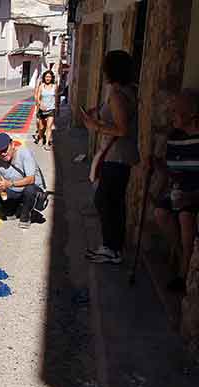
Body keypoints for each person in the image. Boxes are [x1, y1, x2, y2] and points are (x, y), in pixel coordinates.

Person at [82, 50, 140, 265]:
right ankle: (113, 245)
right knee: (112, 201)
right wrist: (98, 111)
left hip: (116, 155)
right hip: (121, 156)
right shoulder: (128, 90)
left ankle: (111, 248)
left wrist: (95, 125)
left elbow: (122, 128)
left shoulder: (117, 94)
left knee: (106, 201)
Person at [152, 89, 199, 293]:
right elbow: (171, 171)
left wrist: (191, 195)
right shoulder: (175, 138)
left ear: (192, 115)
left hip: (195, 194)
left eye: (177, 112)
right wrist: (157, 165)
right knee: (160, 212)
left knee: (186, 217)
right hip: (178, 191)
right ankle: (182, 255)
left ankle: (183, 273)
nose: (172, 116)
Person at [0, 133, 45, 229]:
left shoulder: (24, 153)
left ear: (12, 145)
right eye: (0, 152)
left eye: (5, 149)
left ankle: (26, 215)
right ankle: (13, 210)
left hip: (33, 189)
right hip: (14, 190)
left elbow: (31, 179)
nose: (3, 154)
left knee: (30, 190)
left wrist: (9, 184)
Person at [35, 70, 59, 150]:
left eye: (49, 77)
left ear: (51, 78)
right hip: (42, 110)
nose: (47, 78)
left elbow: (56, 98)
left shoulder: (55, 86)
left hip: (51, 109)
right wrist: (40, 104)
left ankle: (47, 143)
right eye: (46, 77)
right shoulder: (41, 86)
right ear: (44, 77)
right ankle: (41, 138)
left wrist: (57, 108)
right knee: (41, 127)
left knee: (49, 127)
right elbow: (37, 97)